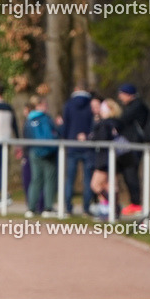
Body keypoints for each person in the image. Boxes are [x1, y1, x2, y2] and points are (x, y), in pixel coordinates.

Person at [59, 84, 95, 215]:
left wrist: (65, 138)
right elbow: (93, 124)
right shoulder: (90, 104)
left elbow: (65, 125)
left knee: (70, 179)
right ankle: (86, 207)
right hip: (87, 146)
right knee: (87, 179)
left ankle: (68, 207)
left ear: (75, 90)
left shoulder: (68, 105)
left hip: (72, 145)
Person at [88, 98, 126, 218]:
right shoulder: (117, 122)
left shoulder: (105, 123)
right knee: (108, 185)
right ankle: (108, 210)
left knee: (96, 185)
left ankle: (114, 206)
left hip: (105, 158)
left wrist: (92, 135)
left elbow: (100, 138)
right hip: (115, 159)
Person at [24, 95, 59, 218]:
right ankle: (48, 208)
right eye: (44, 104)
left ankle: (31, 208)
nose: (46, 106)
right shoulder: (46, 118)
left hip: (34, 151)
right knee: (49, 179)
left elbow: (27, 136)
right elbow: (55, 133)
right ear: (38, 105)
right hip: (49, 152)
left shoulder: (29, 120)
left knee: (36, 179)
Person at [116, 84, 148, 216]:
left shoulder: (137, 106)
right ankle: (133, 203)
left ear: (129, 94)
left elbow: (123, 120)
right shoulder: (131, 106)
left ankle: (136, 203)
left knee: (131, 174)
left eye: (122, 93)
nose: (120, 97)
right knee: (127, 174)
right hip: (127, 145)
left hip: (134, 145)